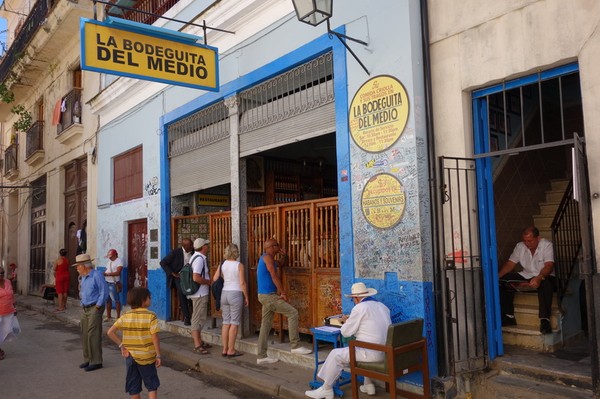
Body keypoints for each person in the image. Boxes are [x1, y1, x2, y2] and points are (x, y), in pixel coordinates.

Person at [305, 282, 392, 399]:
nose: (353, 302)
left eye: (353, 300)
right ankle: (368, 384)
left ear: (356, 298)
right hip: (385, 353)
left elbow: (346, 332)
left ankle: (326, 389)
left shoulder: (359, 308)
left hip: (371, 353)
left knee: (336, 354)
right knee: (361, 344)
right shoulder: (382, 306)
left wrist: (346, 320)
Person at [257, 239, 312, 364]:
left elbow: (281, 264)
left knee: (265, 325)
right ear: (271, 247)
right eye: (277, 245)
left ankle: (261, 356)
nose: (279, 247)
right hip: (269, 296)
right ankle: (295, 346)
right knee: (293, 313)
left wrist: (285, 255)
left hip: (265, 296)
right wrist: (283, 293)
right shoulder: (267, 258)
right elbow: (274, 276)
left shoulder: (268, 258)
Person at [499, 226, 556, 334]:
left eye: (530, 241)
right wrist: (498, 276)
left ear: (538, 238)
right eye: (525, 241)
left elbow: (549, 266)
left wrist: (539, 277)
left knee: (546, 283)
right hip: (526, 275)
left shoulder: (547, 245)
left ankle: (545, 320)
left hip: (545, 275)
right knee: (503, 281)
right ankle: (508, 316)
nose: (527, 244)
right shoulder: (520, 246)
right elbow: (510, 264)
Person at [107, 287, 161, 399]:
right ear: (143, 300)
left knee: (134, 386)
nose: (150, 299)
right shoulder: (151, 316)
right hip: (147, 356)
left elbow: (110, 332)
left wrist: (122, 345)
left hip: (130, 356)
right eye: (149, 298)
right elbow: (154, 337)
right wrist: (158, 355)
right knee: (151, 385)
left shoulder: (125, 316)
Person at [73, 253, 109, 371]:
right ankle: (87, 359)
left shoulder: (97, 275)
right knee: (84, 332)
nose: (77, 268)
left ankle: (96, 361)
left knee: (93, 333)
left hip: (95, 307)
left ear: (84, 266)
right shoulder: (83, 277)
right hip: (85, 307)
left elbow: (104, 291)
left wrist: (98, 306)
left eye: (78, 266)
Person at [213, 243, 249, 357]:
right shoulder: (239, 265)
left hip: (224, 293)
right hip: (235, 293)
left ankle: (224, 349)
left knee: (226, 322)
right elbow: (242, 283)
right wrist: (246, 296)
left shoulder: (222, 264)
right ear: (236, 252)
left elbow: (214, 278)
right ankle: (231, 350)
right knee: (234, 323)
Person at [160, 238, 194, 325]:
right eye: (190, 245)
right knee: (182, 292)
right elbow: (163, 263)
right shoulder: (175, 252)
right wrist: (173, 273)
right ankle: (187, 317)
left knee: (194, 291)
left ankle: (193, 313)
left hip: (190, 277)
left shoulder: (193, 252)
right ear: (185, 246)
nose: (192, 246)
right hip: (179, 277)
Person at [189, 238, 212, 354]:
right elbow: (196, 277)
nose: (208, 247)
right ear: (203, 247)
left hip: (198, 293)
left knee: (199, 317)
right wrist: (209, 282)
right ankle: (197, 345)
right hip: (200, 293)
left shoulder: (195, 257)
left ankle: (199, 341)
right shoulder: (199, 259)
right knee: (198, 318)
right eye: (206, 245)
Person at [0, 266, 21, 360]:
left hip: (9, 311)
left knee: (7, 331)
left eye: (2, 273)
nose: (1, 275)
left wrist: (14, 307)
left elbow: (12, 296)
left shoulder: (8, 282)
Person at [104, 248, 124, 322]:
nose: (110, 258)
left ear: (115, 255)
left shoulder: (119, 261)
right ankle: (108, 316)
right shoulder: (109, 261)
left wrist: (107, 274)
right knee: (108, 300)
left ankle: (118, 317)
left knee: (116, 300)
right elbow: (106, 270)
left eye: (111, 256)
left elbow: (118, 272)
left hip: (113, 283)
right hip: (107, 282)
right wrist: (104, 273)